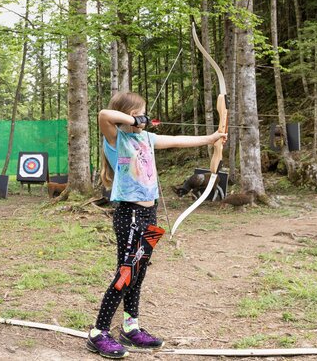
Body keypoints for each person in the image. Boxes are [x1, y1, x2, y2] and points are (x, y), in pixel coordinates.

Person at [86, 92, 226, 358]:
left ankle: (130, 326)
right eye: (139, 112)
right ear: (128, 115)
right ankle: (99, 331)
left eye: (144, 112)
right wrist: (134, 119)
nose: (144, 117)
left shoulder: (147, 139)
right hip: (130, 215)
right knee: (126, 273)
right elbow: (105, 115)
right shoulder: (116, 139)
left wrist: (211, 138)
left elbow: (177, 141)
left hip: (149, 217)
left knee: (138, 273)